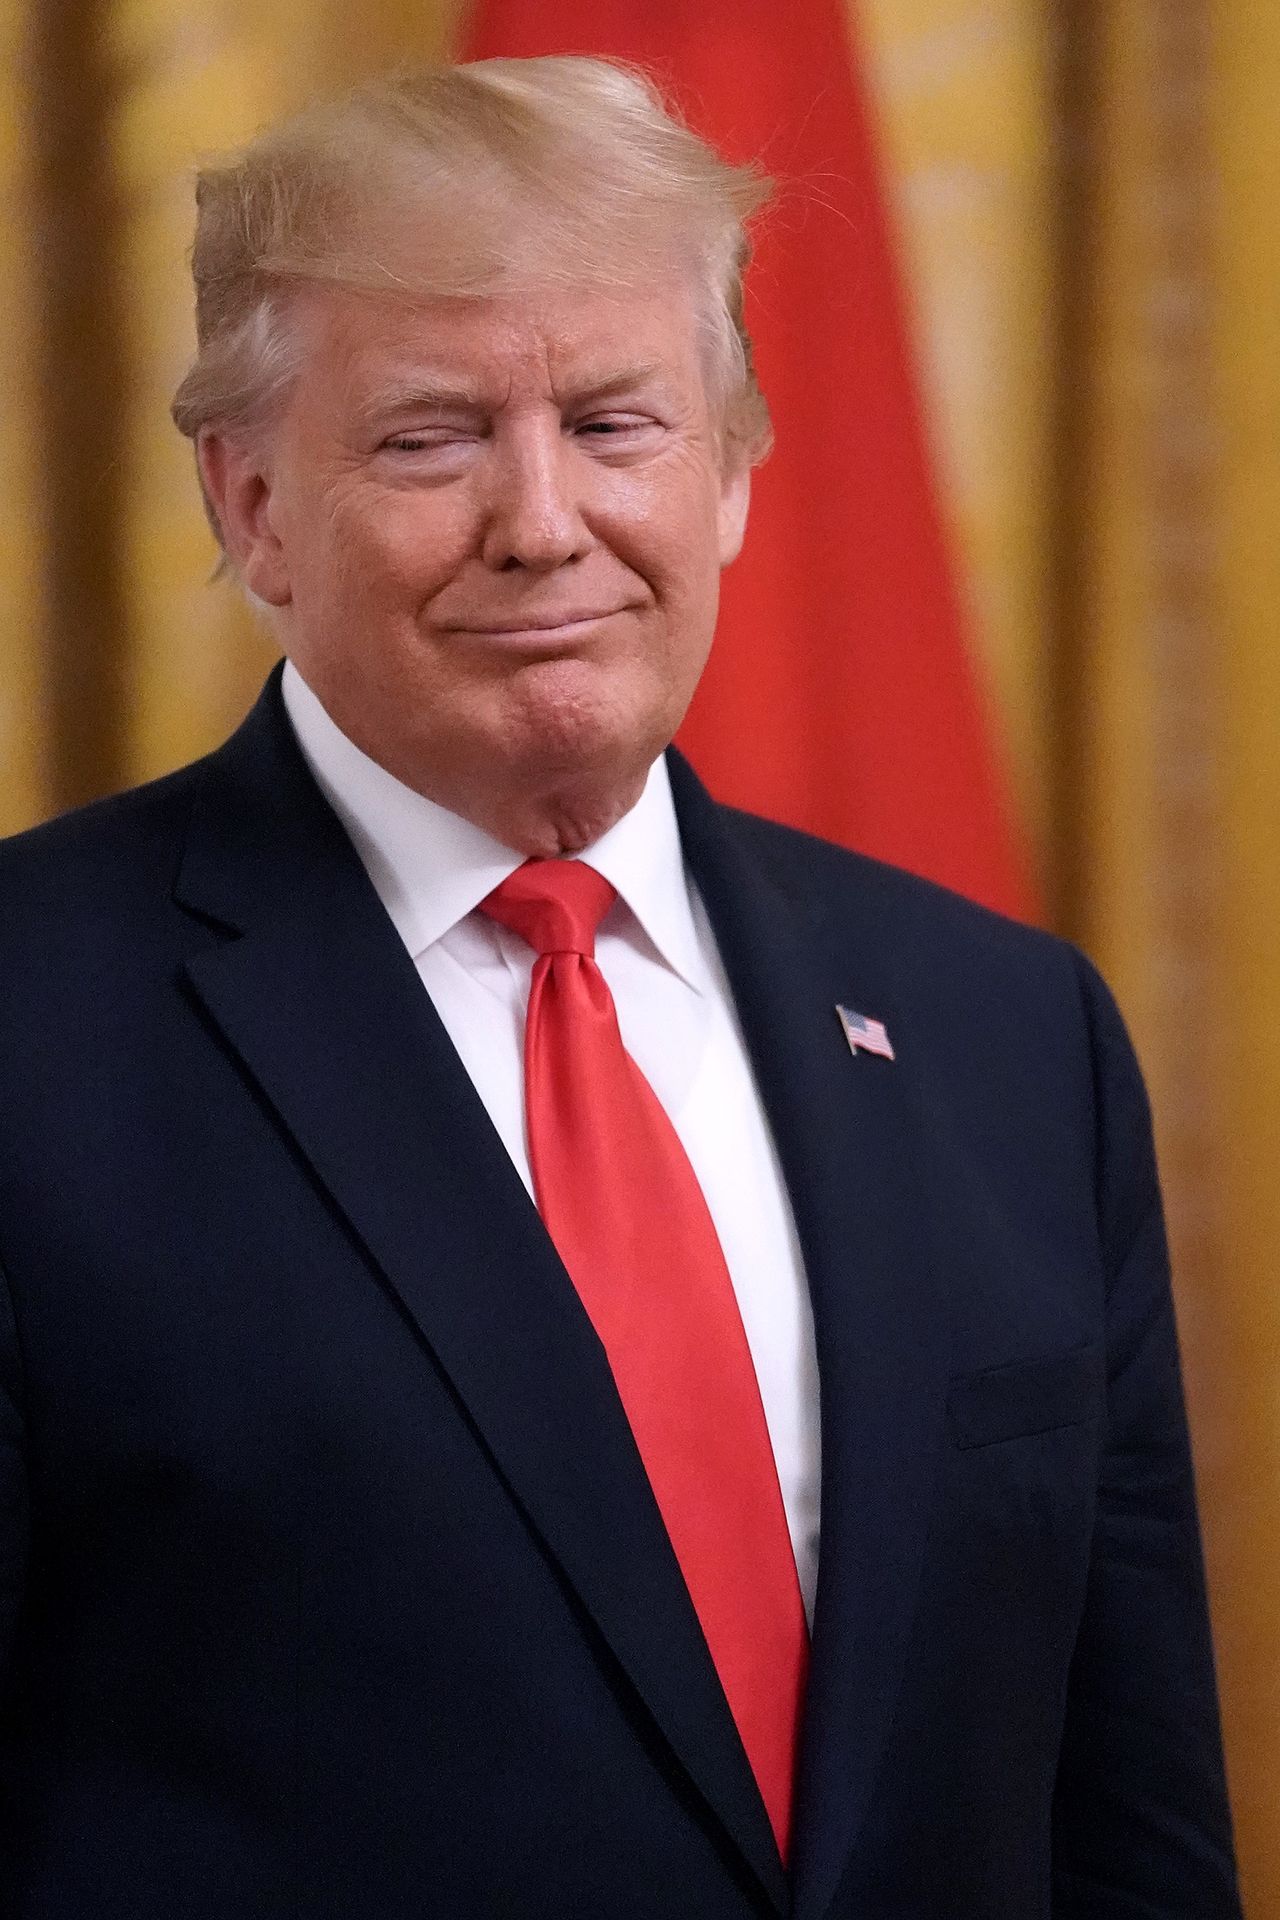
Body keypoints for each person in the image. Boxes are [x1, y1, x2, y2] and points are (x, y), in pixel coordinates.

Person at [0, 57, 1241, 1920]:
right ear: (251, 506)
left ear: (733, 475)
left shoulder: (1012, 1033)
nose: (542, 520)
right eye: (429, 436)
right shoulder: (33, 1024)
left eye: (615, 420)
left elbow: (1127, 1819)